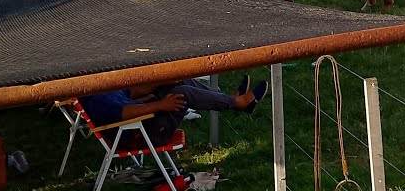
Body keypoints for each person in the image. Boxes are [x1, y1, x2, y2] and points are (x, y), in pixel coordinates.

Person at [80, 76, 269, 147]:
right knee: (182, 94)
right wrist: (160, 105)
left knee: (177, 82)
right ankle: (239, 103)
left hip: (141, 122)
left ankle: (234, 101)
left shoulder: (94, 85)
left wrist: (159, 82)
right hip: (140, 134)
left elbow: (132, 92)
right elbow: (122, 112)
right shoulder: (96, 97)